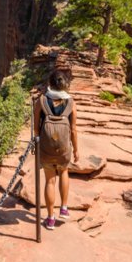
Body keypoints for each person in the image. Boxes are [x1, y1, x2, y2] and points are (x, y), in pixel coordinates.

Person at [34, 69, 79, 230]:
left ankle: (50, 219)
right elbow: (73, 129)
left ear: (50, 84)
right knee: (64, 172)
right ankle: (64, 208)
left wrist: (37, 144)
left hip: (46, 148)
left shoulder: (41, 100)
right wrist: (76, 150)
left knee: (49, 180)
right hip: (64, 148)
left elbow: (36, 129)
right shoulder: (71, 102)